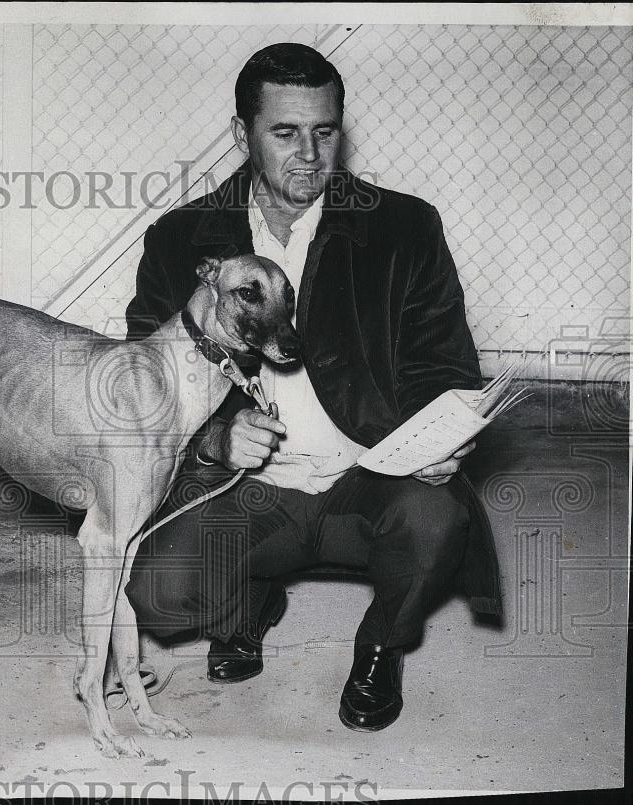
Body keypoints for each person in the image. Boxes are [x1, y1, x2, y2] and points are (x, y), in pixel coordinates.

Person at [123, 42, 503, 732]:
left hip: (370, 478)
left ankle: (381, 646)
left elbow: (444, 363)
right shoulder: (181, 238)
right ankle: (247, 606)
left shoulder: (403, 227)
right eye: (285, 132)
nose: (309, 154)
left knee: (436, 521)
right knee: (159, 592)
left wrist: (444, 436)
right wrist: (214, 439)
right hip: (250, 490)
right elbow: (143, 384)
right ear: (242, 134)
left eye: (324, 131)